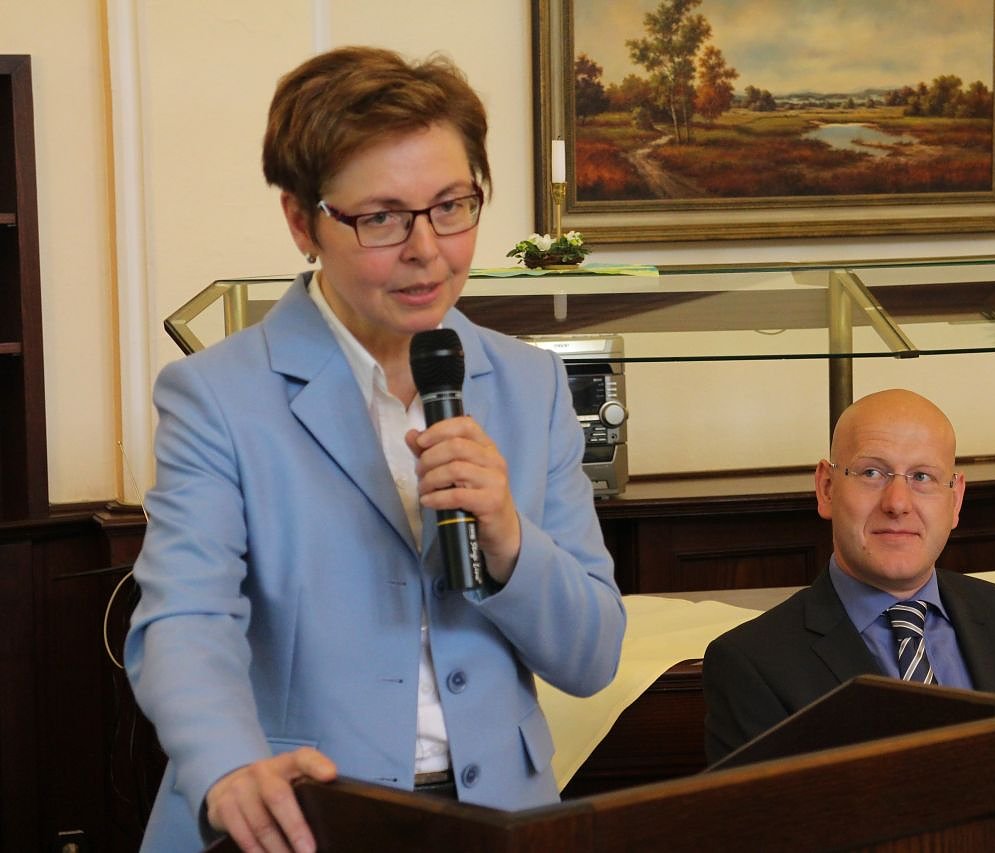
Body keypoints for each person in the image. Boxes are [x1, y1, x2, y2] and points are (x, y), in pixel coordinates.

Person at [125, 46, 626, 853]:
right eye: (382, 218)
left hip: (498, 821)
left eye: (452, 205)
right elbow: (185, 619)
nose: (427, 248)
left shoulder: (529, 383)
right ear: (302, 222)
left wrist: (508, 538)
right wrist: (228, 766)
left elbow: (593, 655)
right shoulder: (215, 396)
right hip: (304, 819)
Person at [702, 389, 995, 852]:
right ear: (826, 488)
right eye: (871, 473)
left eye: (922, 476)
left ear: (956, 499)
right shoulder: (752, 665)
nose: (898, 502)